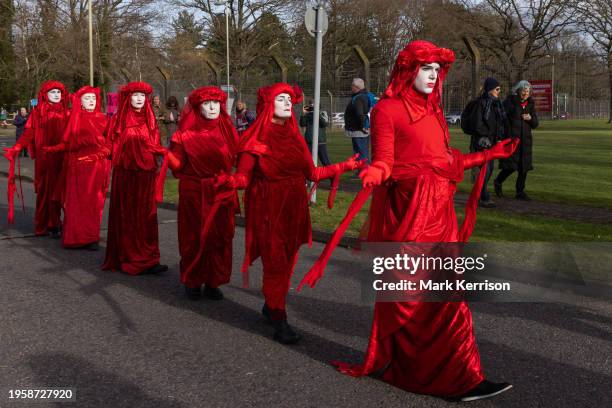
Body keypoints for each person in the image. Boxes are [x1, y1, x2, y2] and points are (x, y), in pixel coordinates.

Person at [299, 41, 518, 402]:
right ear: (408, 71)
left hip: (440, 214)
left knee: (448, 298)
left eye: (437, 70)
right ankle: (409, 367)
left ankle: (462, 375)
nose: (433, 76)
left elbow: (445, 163)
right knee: (410, 296)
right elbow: (385, 160)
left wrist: (489, 155)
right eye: (425, 69)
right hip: (411, 216)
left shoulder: (433, 111)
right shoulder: (387, 110)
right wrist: (376, 172)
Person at [225, 83, 363, 344]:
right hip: (268, 209)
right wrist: (231, 182)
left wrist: (346, 165)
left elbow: (313, 174)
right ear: (268, 105)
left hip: (294, 209)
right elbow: (243, 176)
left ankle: (271, 303)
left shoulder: (294, 137)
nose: (289, 103)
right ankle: (279, 316)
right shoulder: (255, 139)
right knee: (275, 262)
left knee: (287, 262)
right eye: (282, 99)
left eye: (290, 99)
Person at [166, 86, 239, 300]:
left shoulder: (228, 132)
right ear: (198, 107)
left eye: (216, 103)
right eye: (207, 103)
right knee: (194, 237)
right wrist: (164, 153)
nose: (212, 107)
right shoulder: (184, 135)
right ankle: (193, 279)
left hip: (221, 192)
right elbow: (177, 166)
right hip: (194, 193)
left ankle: (213, 280)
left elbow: (239, 160)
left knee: (219, 238)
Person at [102, 82, 168, 275]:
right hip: (126, 175)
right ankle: (128, 256)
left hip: (146, 175)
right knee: (128, 215)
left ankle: (148, 258)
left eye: (142, 95)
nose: (139, 99)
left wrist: (166, 153)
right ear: (128, 97)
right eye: (135, 95)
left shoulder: (150, 119)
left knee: (147, 217)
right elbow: (110, 145)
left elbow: (155, 144)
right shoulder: (118, 120)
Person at [42, 86, 110, 250]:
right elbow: (66, 143)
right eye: (87, 98)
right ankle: (76, 236)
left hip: (97, 166)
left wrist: (99, 155)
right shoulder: (75, 118)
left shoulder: (104, 118)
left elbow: (110, 144)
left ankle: (91, 236)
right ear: (80, 101)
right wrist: (51, 149)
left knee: (95, 202)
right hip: (77, 166)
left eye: (93, 98)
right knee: (77, 203)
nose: (91, 101)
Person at [3, 81, 70, 236]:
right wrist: (17, 147)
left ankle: (56, 222)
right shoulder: (37, 112)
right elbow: (28, 133)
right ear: (45, 95)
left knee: (59, 192)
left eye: (59, 92)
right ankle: (45, 224)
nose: (56, 95)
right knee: (45, 191)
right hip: (45, 159)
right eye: (53, 92)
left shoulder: (67, 113)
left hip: (62, 157)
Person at [494, 80, 539, 200]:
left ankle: (520, 192)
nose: (525, 93)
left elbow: (535, 124)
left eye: (528, 91)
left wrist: (530, 118)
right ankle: (498, 182)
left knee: (524, 168)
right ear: (518, 90)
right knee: (510, 166)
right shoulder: (510, 102)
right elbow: (501, 119)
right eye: (523, 90)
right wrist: (502, 136)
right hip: (513, 140)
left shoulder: (531, 104)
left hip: (526, 141)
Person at [470, 77, 507, 208]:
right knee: (487, 169)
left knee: (489, 169)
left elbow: (498, 123)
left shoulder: (496, 104)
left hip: (492, 142)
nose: (499, 91)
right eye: (497, 89)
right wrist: (485, 136)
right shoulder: (482, 103)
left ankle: (481, 195)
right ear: (490, 89)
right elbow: (477, 123)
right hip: (482, 142)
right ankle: (482, 196)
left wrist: (498, 138)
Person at [344, 78, 371, 171]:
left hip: (358, 130)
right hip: (360, 129)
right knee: (362, 151)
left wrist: (362, 126)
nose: (351, 87)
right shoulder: (363, 96)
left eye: (352, 86)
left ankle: (363, 171)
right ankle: (362, 170)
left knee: (360, 152)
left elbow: (360, 114)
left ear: (356, 87)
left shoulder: (359, 98)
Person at [299, 101, 331, 166]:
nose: (311, 108)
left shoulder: (323, 113)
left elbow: (324, 124)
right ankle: (309, 175)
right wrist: (304, 114)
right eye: (311, 106)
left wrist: (316, 114)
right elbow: (302, 124)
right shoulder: (308, 115)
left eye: (313, 106)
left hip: (320, 141)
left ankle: (331, 175)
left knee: (325, 161)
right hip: (310, 141)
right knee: (308, 161)